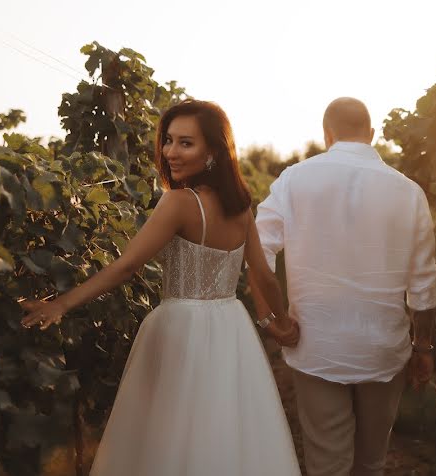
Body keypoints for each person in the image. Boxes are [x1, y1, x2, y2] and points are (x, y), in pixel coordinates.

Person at [20, 99, 302, 475]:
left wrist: (62, 304)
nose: (170, 151)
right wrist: (281, 323)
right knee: (223, 428)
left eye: (186, 143)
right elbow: (263, 276)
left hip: (181, 326)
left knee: (168, 433)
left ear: (214, 151)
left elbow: (128, 265)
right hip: (230, 326)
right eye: (168, 140)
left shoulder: (180, 203)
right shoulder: (241, 208)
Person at [252, 97, 436, 476]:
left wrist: (273, 318)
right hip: (384, 348)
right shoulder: (410, 193)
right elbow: (423, 283)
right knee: (371, 462)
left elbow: (258, 252)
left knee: (327, 463)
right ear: (372, 135)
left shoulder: (293, 180)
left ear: (327, 135)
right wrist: (423, 346)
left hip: (315, 344)